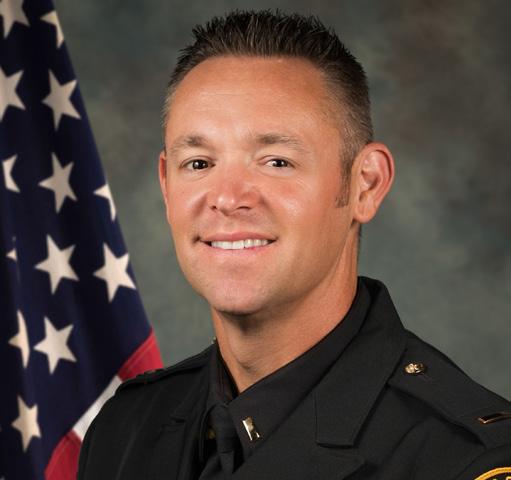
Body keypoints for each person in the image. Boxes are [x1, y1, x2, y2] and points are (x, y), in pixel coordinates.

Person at [77, 10, 511, 480]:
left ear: (365, 184)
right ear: (166, 186)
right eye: (199, 163)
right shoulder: (124, 431)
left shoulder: (463, 460)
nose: (227, 198)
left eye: (276, 161)